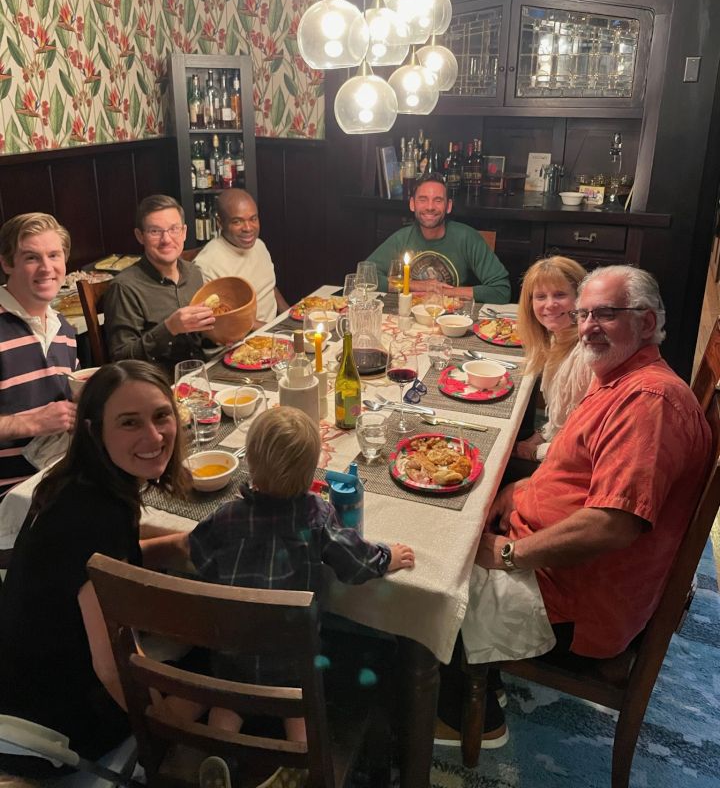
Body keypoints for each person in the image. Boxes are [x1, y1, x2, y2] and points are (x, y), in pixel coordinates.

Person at [440, 265, 713, 746]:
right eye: (584, 314)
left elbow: (611, 526)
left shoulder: (649, 403)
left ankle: (471, 719)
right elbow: (576, 467)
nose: (587, 326)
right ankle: (480, 672)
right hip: (555, 563)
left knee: (432, 578)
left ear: (647, 323)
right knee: (464, 505)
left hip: (571, 599)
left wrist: (508, 554)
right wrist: (521, 491)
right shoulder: (618, 376)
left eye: (606, 314)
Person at [168, 406, 414, 752]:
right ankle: (304, 763)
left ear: (250, 463)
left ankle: (220, 756)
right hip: (295, 666)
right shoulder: (317, 516)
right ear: (313, 470)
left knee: (226, 709)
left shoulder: (227, 517)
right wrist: (388, 556)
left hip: (233, 660)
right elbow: (355, 564)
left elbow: (200, 558)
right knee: (301, 716)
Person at [0, 360, 189, 773]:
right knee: (207, 666)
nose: (154, 436)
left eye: (161, 416)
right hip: (52, 723)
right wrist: (163, 734)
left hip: (19, 682)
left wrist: (177, 546)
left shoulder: (75, 482)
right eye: (129, 423)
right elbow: (111, 667)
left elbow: (103, 564)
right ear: (92, 430)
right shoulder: (94, 516)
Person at [0, 212, 78, 497]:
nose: (47, 268)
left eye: (54, 255)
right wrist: (31, 422)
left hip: (58, 478)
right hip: (11, 497)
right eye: (32, 258)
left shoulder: (63, 328)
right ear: (7, 263)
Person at [103, 194, 216, 373]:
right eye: (155, 231)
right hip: (156, 383)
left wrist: (222, 333)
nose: (166, 239)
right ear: (140, 236)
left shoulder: (194, 273)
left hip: (200, 374)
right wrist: (169, 328)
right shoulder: (124, 287)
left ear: (184, 232)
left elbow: (201, 339)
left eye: (174, 229)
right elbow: (121, 360)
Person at [366, 174, 510, 303]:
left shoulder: (467, 237)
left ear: (448, 206)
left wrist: (444, 292)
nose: (430, 207)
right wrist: (416, 285)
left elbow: (501, 290)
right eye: (423, 199)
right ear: (412, 204)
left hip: (454, 318)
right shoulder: (401, 238)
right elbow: (366, 277)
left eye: (438, 200)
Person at [513, 256, 592, 462]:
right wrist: (541, 435)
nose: (550, 304)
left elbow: (585, 442)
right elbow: (562, 420)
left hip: (574, 463)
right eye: (540, 297)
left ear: (581, 298)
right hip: (557, 445)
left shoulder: (586, 356)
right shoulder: (557, 338)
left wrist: (535, 452)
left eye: (560, 294)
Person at [194, 189, 288, 326]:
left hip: (273, 328)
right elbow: (220, 320)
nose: (248, 228)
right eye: (237, 221)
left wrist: (290, 315)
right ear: (220, 223)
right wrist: (272, 330)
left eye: (253, 219)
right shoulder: (207, 264)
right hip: (246, 336)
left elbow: (269, 287)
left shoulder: (259, 245)